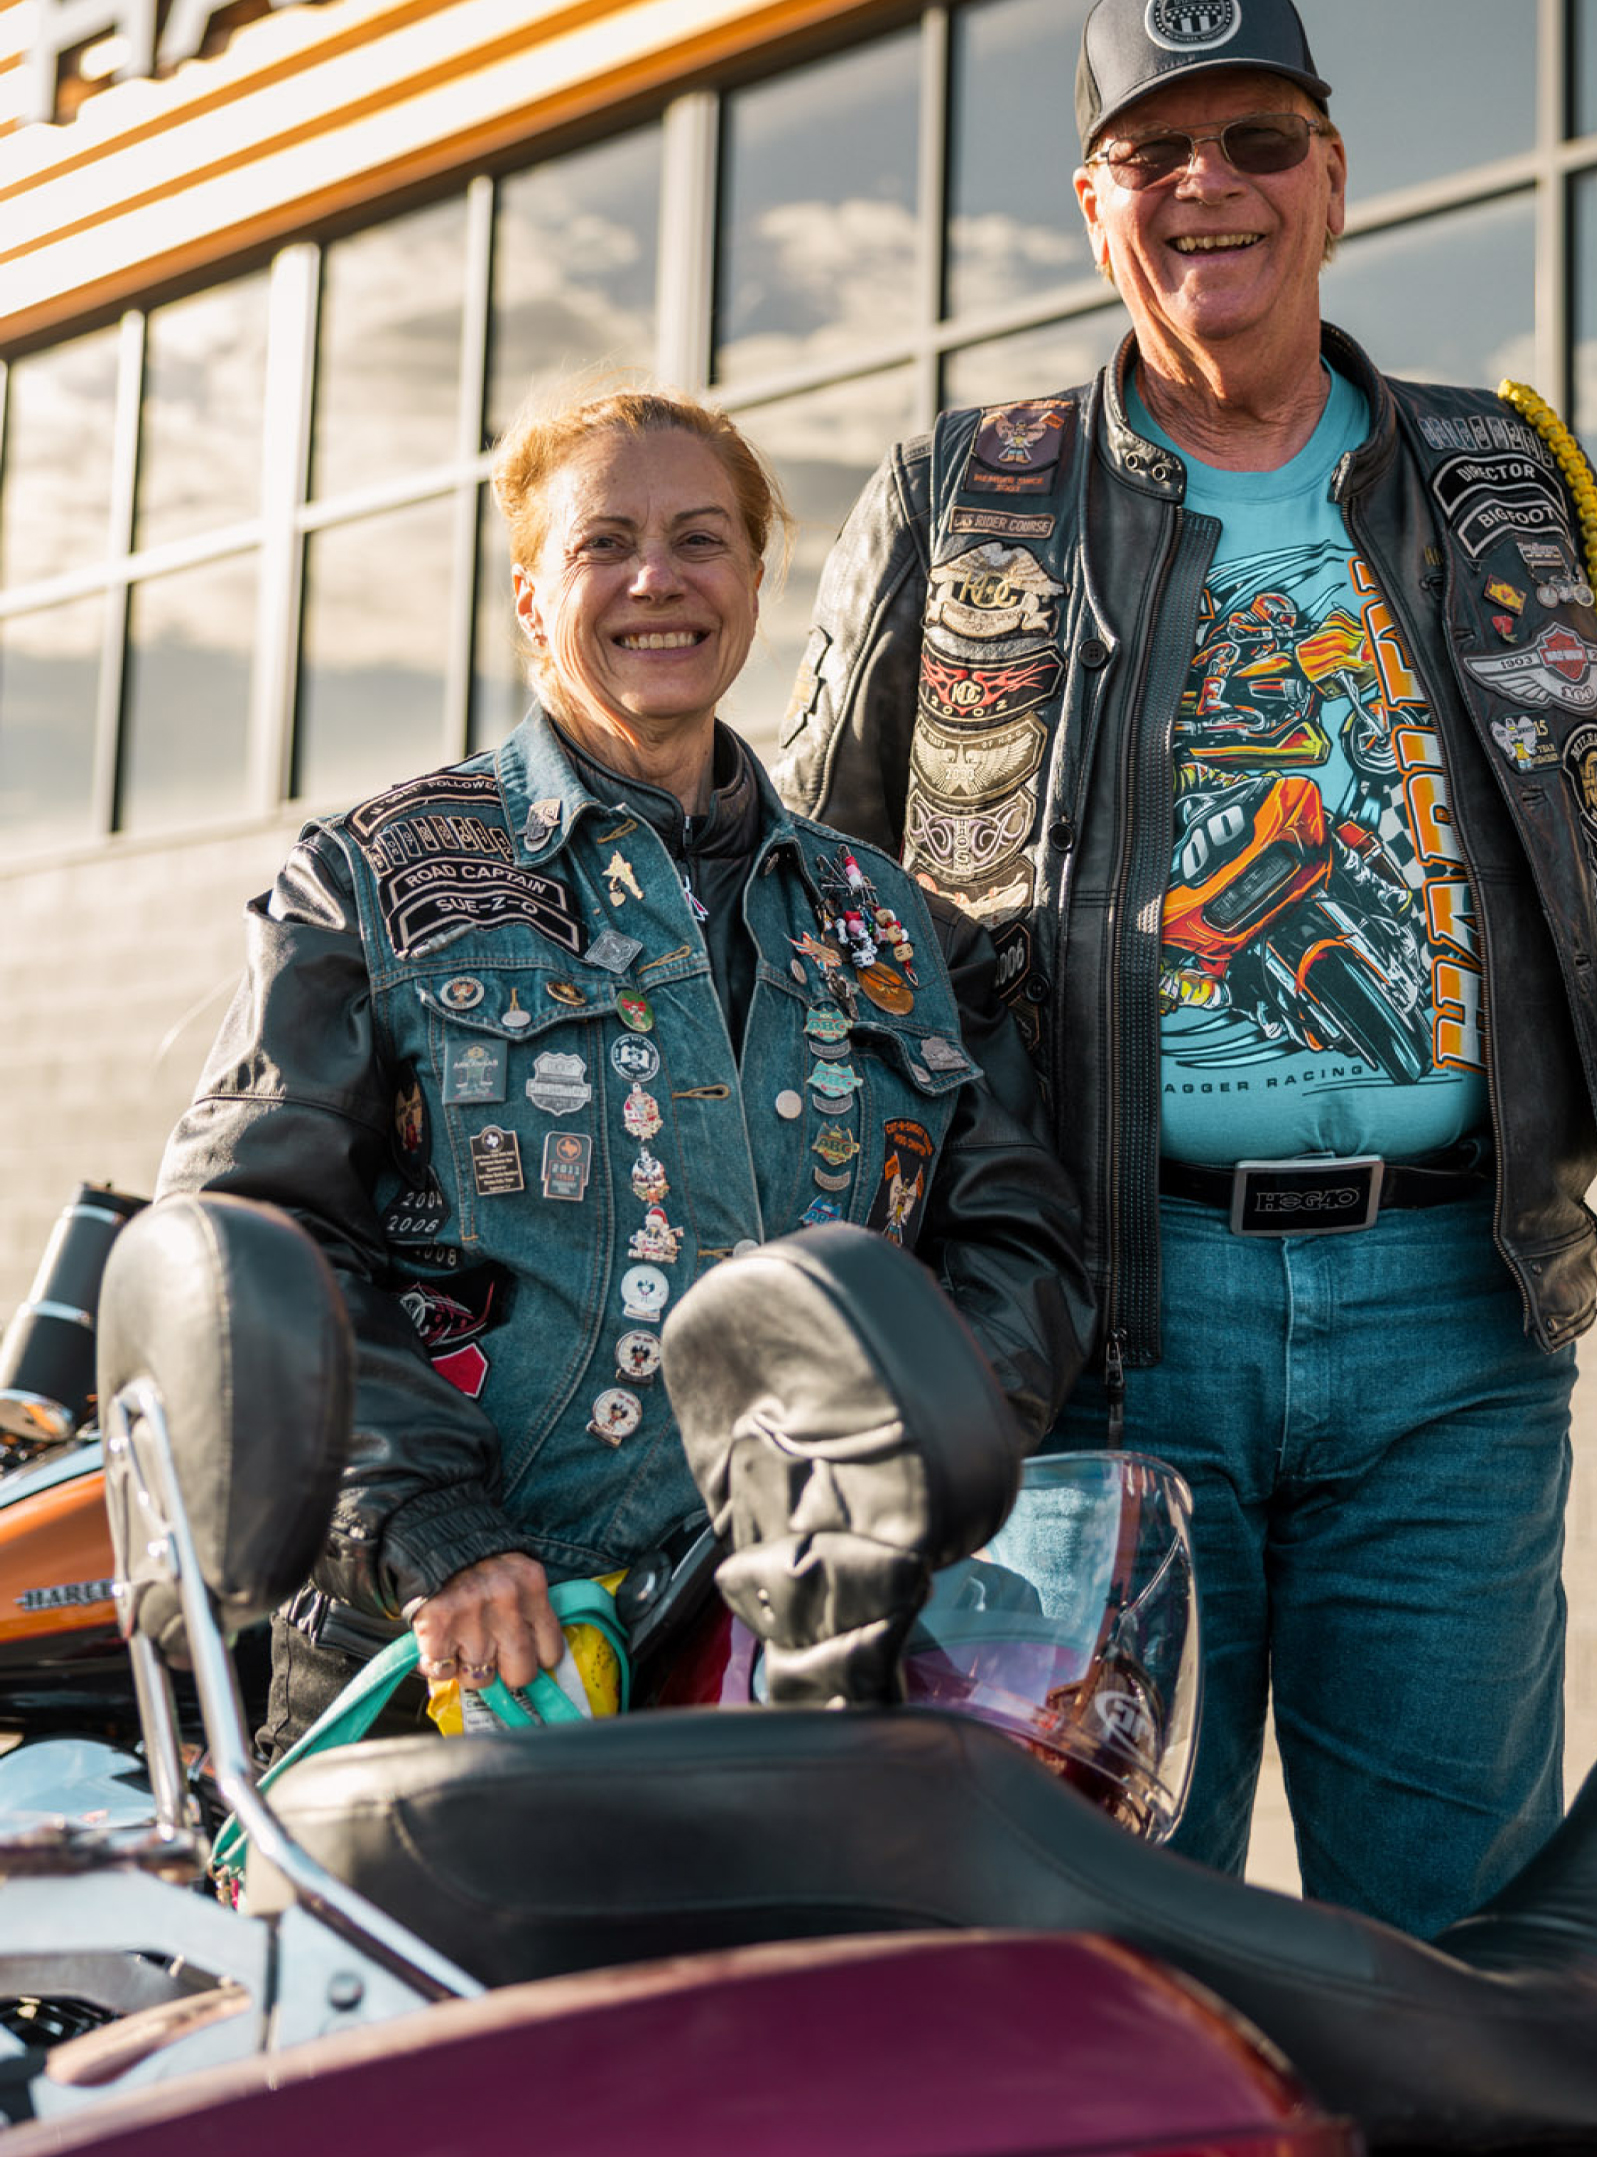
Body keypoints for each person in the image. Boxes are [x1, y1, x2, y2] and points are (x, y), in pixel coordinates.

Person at [776, 0, 1597, 1936]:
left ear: (1335, 178)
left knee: (1448, 1956)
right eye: (1153, 151)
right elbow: (817, 912)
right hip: (1091, 1342)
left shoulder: (1508, 484)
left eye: (1255, 141)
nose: (1211, 183)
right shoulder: (962, 497)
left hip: (1454, 1324)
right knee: (1095, 1947)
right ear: (1092, 206)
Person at [159, 380, 1091, 1757]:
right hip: (455, 1667)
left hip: (798, 1667)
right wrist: (436, 1532)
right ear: (533, 599)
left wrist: (894, 1482)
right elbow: (254, 1242)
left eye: (702, 538)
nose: (660, 577)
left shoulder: (896, 923)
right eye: (606, 543)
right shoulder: (365, 877)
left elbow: (1021, 1243)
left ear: (756, 584)